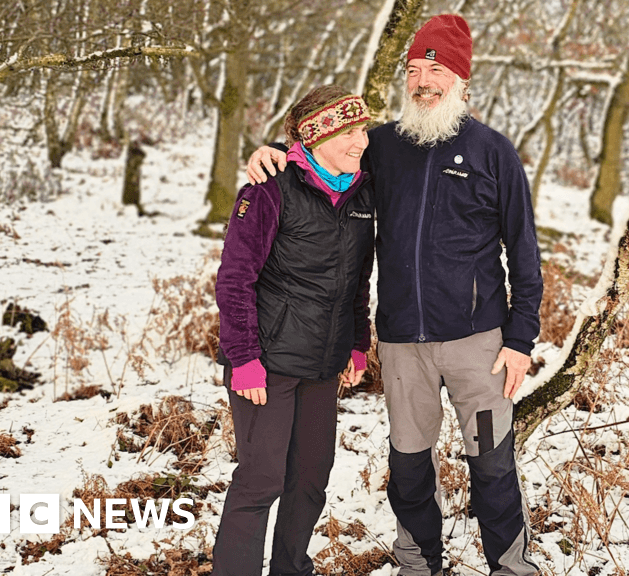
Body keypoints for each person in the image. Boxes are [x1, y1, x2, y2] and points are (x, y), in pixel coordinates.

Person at [247, 15, 542, 576]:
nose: (422, 81)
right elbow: (322, 159)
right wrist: (275, 153)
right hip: (403, 343)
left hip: (479, 344)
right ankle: (417, 564)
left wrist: (521, 339)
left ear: (461, 79)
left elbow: (524, 251)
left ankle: (510, 567)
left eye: (436, 70)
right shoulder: (380, 146)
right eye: (413, 71)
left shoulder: (493, 152)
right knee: (409, 466)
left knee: (492, 465)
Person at [213, 85, 375, 576]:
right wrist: (243, 359)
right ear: (315, 137)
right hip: (268, 363)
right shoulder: (269, 188)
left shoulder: (362, 192)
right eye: (348, 132)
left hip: (323, 364)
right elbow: (235, 279)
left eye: (363, 129)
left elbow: (357, 279)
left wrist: (357, 343)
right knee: (261, 479)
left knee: (309, 479)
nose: (361, 142)